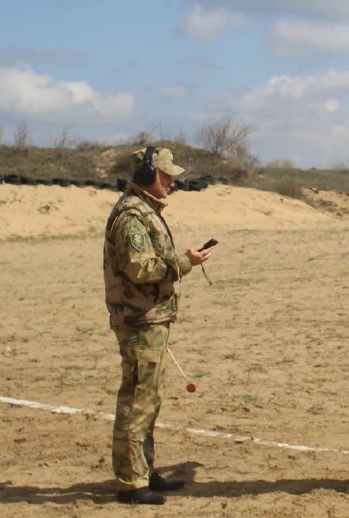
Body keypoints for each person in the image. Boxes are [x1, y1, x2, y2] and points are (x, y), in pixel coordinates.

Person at [103, 146, 214, 505]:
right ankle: (131, 483)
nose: (170, 182)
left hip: (149, 319)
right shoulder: (132, 215)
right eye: (165, 175)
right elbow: (141, 269)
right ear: (146, 175)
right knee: (137, 402)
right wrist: (185, 262)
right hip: (139, 321)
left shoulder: (144, 210)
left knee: (149, 401)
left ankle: (143, 471)